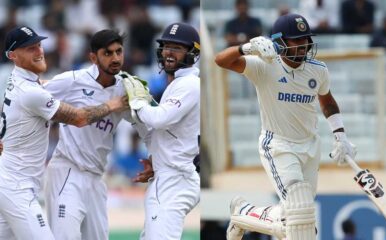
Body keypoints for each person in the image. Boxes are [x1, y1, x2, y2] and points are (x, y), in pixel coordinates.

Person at [215, 13, 357, 240]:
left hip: (310, 146)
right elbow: (220, 60)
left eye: (306, 40)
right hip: (279, 146)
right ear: (280, 42)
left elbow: (327, 101)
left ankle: (244, 213)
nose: (303, 46)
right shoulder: (263, 66)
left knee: (299, 218)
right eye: (297, 40)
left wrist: (340, 135)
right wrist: (246, 48)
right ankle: (246, 214)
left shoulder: (318, 69)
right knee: (299, 213)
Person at [0, 26, 126, 240]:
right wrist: (113, 104)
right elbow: (79, 118)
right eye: (30, 48)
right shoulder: (32, 92)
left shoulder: (21, 82)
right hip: (16, 185)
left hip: (16, 180)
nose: (39, 51)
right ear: (13, 56)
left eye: (39, 45)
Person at [43, 29, 143, 240]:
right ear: (93, 57)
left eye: (119, 51)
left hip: (97, 178)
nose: (115, 58)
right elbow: (33, 96)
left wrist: (156, 159)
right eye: (107, 53)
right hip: (67, 171)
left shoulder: (126, 88)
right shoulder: (73, 80)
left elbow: (147, 128)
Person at [123, 22, 200, 240]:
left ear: (193, 52)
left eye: (177, 48)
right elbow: (156, 133)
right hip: (168, 179)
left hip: (174, 182)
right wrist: (135, 112)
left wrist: (138, 103)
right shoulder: (177, 84)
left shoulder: (189, 85)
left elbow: (159, 119)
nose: (168, 52)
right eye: (166, 46)